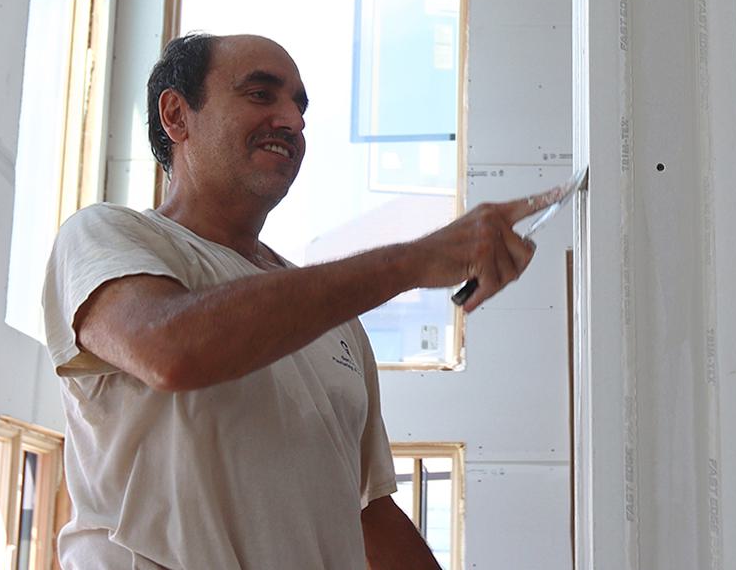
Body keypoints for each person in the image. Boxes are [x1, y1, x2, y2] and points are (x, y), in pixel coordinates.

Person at [41, 32, 549, 569]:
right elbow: (170, 351)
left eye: (299, 106)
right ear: (177, 115)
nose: (292, 121)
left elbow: (368, 511)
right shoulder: (106, 236)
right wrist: (411, 261)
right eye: (261, 94)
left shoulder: (334, 322)